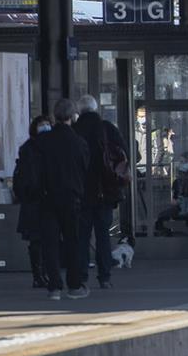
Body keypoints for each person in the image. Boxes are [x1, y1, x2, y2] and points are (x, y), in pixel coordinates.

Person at [25, 99, 91, 299]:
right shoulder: (79, 142)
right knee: (73, 241)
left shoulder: (42, 142)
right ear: (72, 117)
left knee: (50, 243)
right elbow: (85, 170)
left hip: (46, 198)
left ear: (54, 117)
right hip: (71, 198)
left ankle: (54, 286)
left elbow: (33, 170)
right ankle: (75, 284)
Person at [73, 95, 126, 289]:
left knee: (82, 236)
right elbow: (127, 153)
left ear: (79, 111)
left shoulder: (75, 130)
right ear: (96, 109)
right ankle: (104, 276)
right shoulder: (107, 129)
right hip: (105, 190)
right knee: (103, 234)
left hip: (81, 193)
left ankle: (81, 275)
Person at [17, 115, 53, 288]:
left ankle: (40, 274)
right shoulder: (47, 147)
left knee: (38, 240)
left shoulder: (27, 148)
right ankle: (40, 274)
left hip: (32, 200)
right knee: (41, 239)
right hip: (41, 199)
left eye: (47, 124)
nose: (45, 127)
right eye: (42, 124)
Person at [154, 152, 188, 236]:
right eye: (180, 162)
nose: (181, 164)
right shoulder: (176, 182)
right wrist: (178, 201)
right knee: (161, 217)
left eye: (183, 162)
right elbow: (174, 199)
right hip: (181, 207)